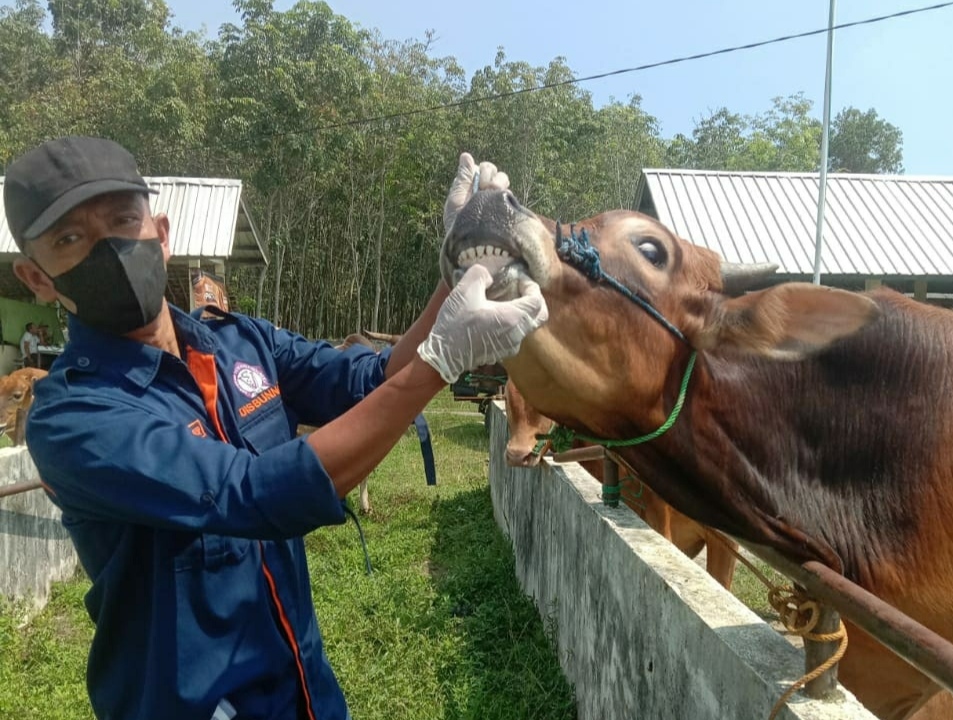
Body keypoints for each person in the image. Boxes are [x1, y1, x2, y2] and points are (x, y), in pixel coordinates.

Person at [4, 136, 547, 720]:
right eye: (70, 239)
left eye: (121, 220)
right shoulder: (74, 416)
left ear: (160, 234)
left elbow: (371, 379)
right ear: (36, 278)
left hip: (303, 689)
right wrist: (440, 364)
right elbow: (255, 493)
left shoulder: (242, 342)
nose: (107, 249)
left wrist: (458, 266)